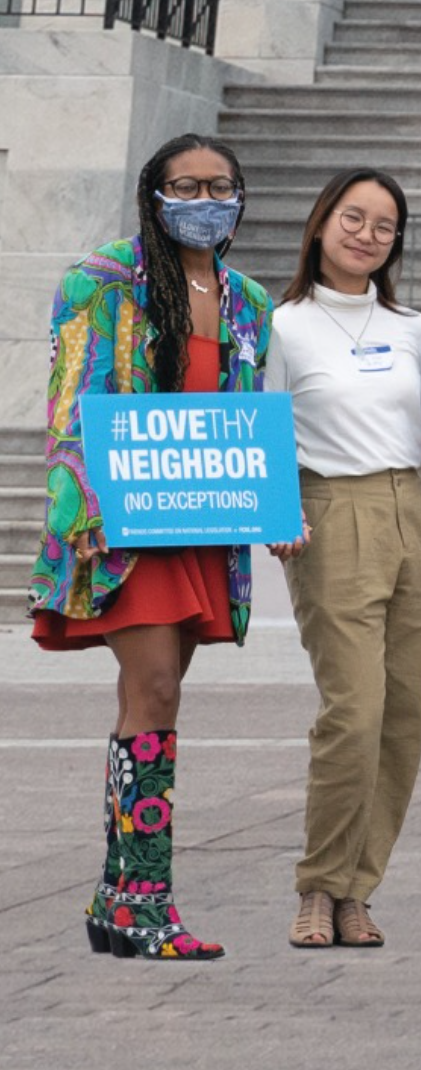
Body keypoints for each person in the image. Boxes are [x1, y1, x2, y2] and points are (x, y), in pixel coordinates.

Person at [41, 133, 280, 961]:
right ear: (153, 192)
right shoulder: (103, 278)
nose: (203, 199)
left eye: (220, 186)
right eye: (186, 184)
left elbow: (244, 417)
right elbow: (73, 401)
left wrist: (270, 501)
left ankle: (117, 898)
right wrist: (91, 511)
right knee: (155, 696)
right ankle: (147, 902)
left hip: (202, 523)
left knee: (153, 698)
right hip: (127, 526)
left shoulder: (249, 297)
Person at [269, 168, 421, 950]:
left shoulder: (409, 324)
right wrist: (275, 510)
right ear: (318, 222)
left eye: (384, 225)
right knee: (354, 713)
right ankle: (317, 885)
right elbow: (264, 425)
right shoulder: (283, 325)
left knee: (402, 719)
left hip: (414, 509)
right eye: (352, 218)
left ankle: (358, 891)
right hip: (331, 513)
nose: (367, 235)